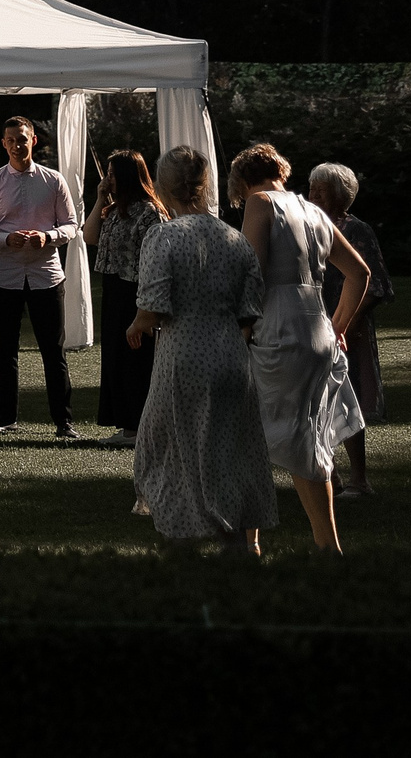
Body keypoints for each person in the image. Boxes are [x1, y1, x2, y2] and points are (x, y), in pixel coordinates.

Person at [127, 147, 276, 553]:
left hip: (184, 357)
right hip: (232, 357)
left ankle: (180, 540)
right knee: (229, 449)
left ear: (160, 186)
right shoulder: (235, 239)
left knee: (171, 447)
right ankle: (236, 542)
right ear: (204, 184)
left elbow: (153, 307)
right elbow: (250, 311)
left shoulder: (163, 237)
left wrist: (136, 327)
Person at [233, 143, 370, 552]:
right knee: (306, 438)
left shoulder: (259, 202)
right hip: (316, 327)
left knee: (252, 433)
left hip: (276, 327)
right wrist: (338, 325)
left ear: (242, 181)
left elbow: (252, 272)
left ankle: (252, 543)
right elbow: (359, 274)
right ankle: (325, 543)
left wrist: (241, 330)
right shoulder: (315, 212)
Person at [0, 115, 81, 439]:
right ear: (4, 144)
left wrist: (47, 237)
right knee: (5, 352)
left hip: (46, 276)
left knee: (54, 350)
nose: (17, 145)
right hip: (3, 276)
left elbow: (72, 225)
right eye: (11, 140)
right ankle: (5, 418)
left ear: (33, 140)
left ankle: (64, 423)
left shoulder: (53, 180)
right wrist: (5, 240)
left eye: (23, 138)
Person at [307, 162, 393, 497]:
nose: (313, 195)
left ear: (342, 195)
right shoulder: (308, 224)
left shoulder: (356, 230)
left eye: (321, 189)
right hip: (315, 322)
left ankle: (360, 478)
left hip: (346, 329)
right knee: (317, 401)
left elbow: (375, 286)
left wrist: (345, 324)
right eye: (311, 187)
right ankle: (331, 474)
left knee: (348, 399)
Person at [83, 150, 165, 447]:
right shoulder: (115, 210)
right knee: (117, 357)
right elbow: (89, 236)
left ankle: (138, 425)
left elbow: (155, 257)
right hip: (113, 288)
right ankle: (126, 422)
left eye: (113, 174)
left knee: (136, 358)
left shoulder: (150, 212)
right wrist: (99, 198)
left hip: (135, 289)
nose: (109, 179)